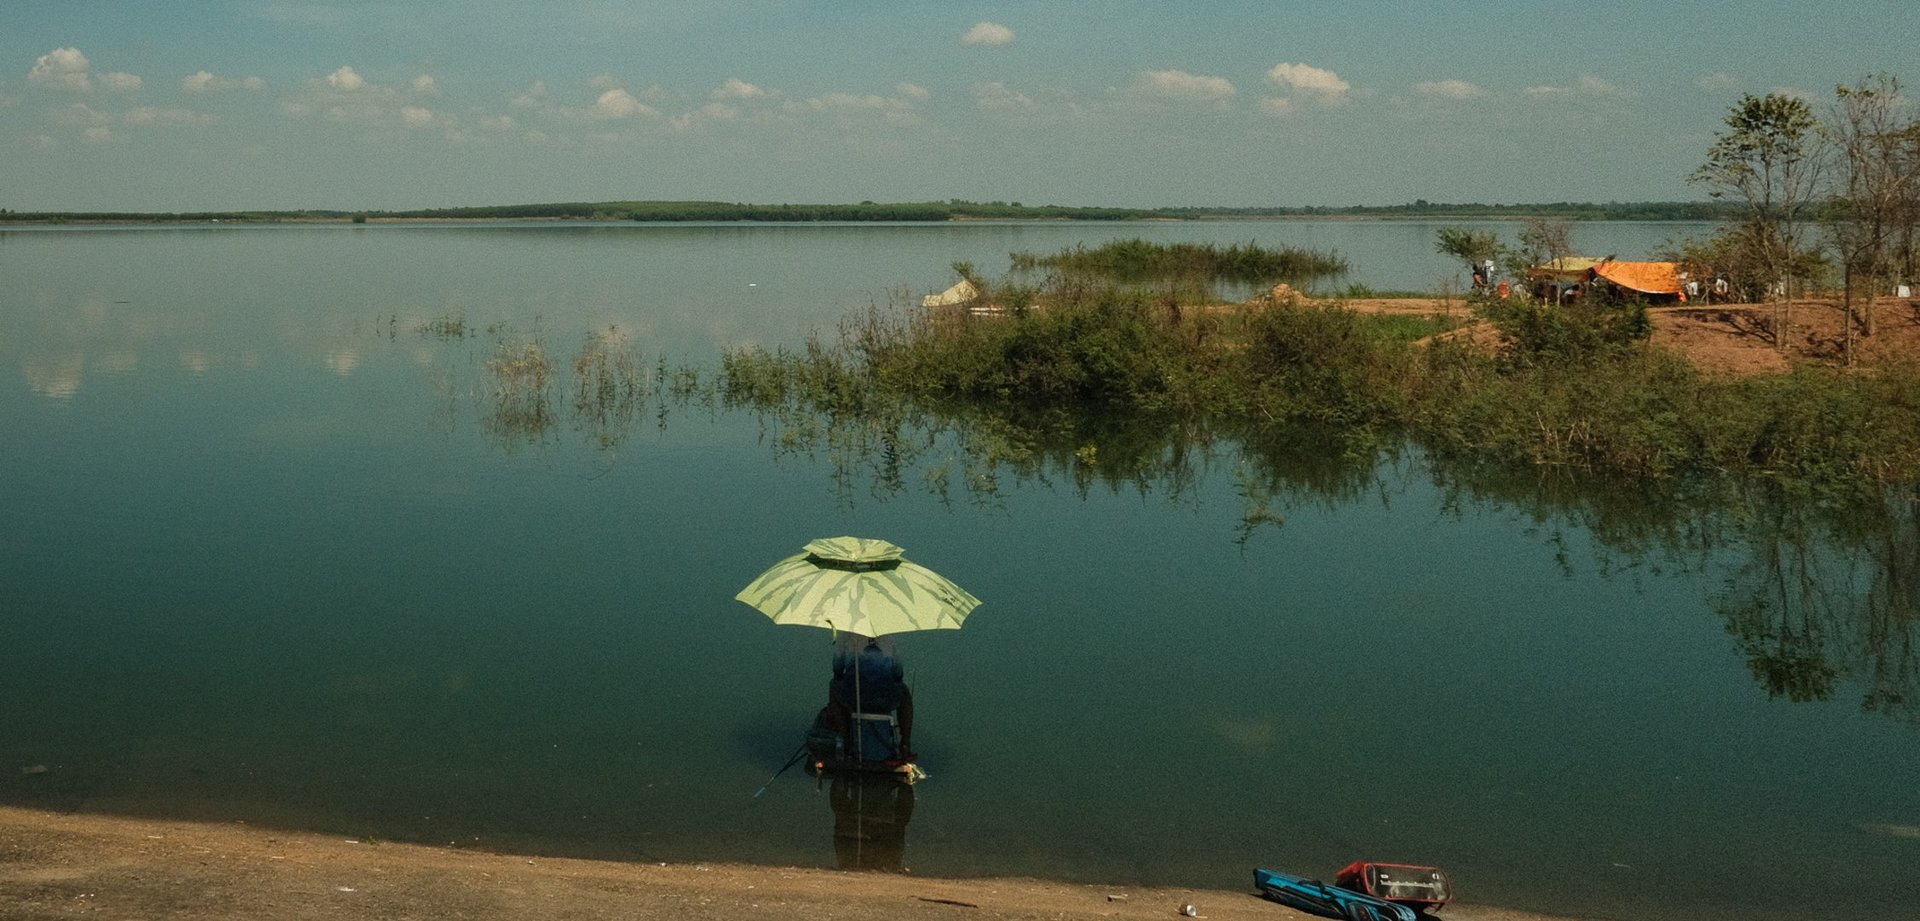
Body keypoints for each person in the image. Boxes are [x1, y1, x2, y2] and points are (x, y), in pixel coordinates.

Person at [819, 633, 915, 761]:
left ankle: (845, 739)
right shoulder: (889, 638)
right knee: (904, 692)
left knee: (834, 685)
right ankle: (905, 743)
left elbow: (837, 670)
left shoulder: (846, 636)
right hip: (885, 699)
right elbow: (898, 674)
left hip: (855, 698)